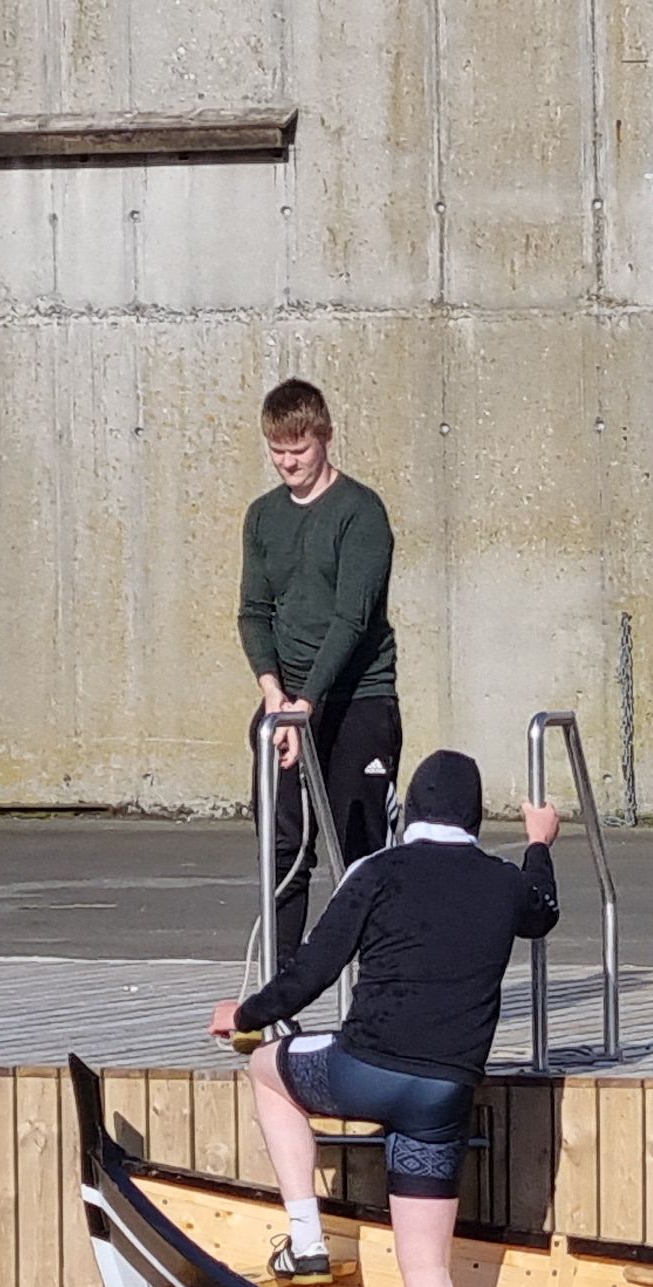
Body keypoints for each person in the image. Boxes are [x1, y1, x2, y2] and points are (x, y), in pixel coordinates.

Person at [209, 749, 558, 1287]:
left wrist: (243, 1017)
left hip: (363, 1071)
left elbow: (313, 971)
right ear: (476, 817)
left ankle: (307, 1240)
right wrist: (538, 842)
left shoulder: (376, 870)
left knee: (265, 1070)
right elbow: (543, 911)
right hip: (442, 1097)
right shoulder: (505, 882)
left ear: (410, 810)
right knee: (427, 1268)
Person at [239, 377, 402, 967]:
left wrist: (307, 702)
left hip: (356, 699)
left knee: (358, 852)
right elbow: (254, 612)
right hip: (286, 705)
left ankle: (374, 983)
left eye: (299, 449)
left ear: (325, 438)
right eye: (277, 450)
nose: (288, 462)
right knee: (283, 847)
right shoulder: (263, 517)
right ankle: (279, 983)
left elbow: (351, 619)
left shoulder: (360, 512)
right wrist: (274, 693)